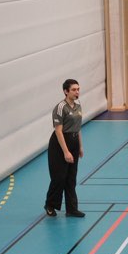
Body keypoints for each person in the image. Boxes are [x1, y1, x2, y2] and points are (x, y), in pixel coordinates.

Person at [44, 78, 85, 218]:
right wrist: (66, 151)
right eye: (74, 90)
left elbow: (78, 127)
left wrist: (80, 146)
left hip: (74, 142)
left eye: (78, 89)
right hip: (60, 144)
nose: (77, 92)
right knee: (59, 177)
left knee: (71, 178)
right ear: (66, 91)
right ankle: (50, 205)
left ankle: (72, 209)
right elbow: (58, 131)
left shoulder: (78, 105)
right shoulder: (60, 108)